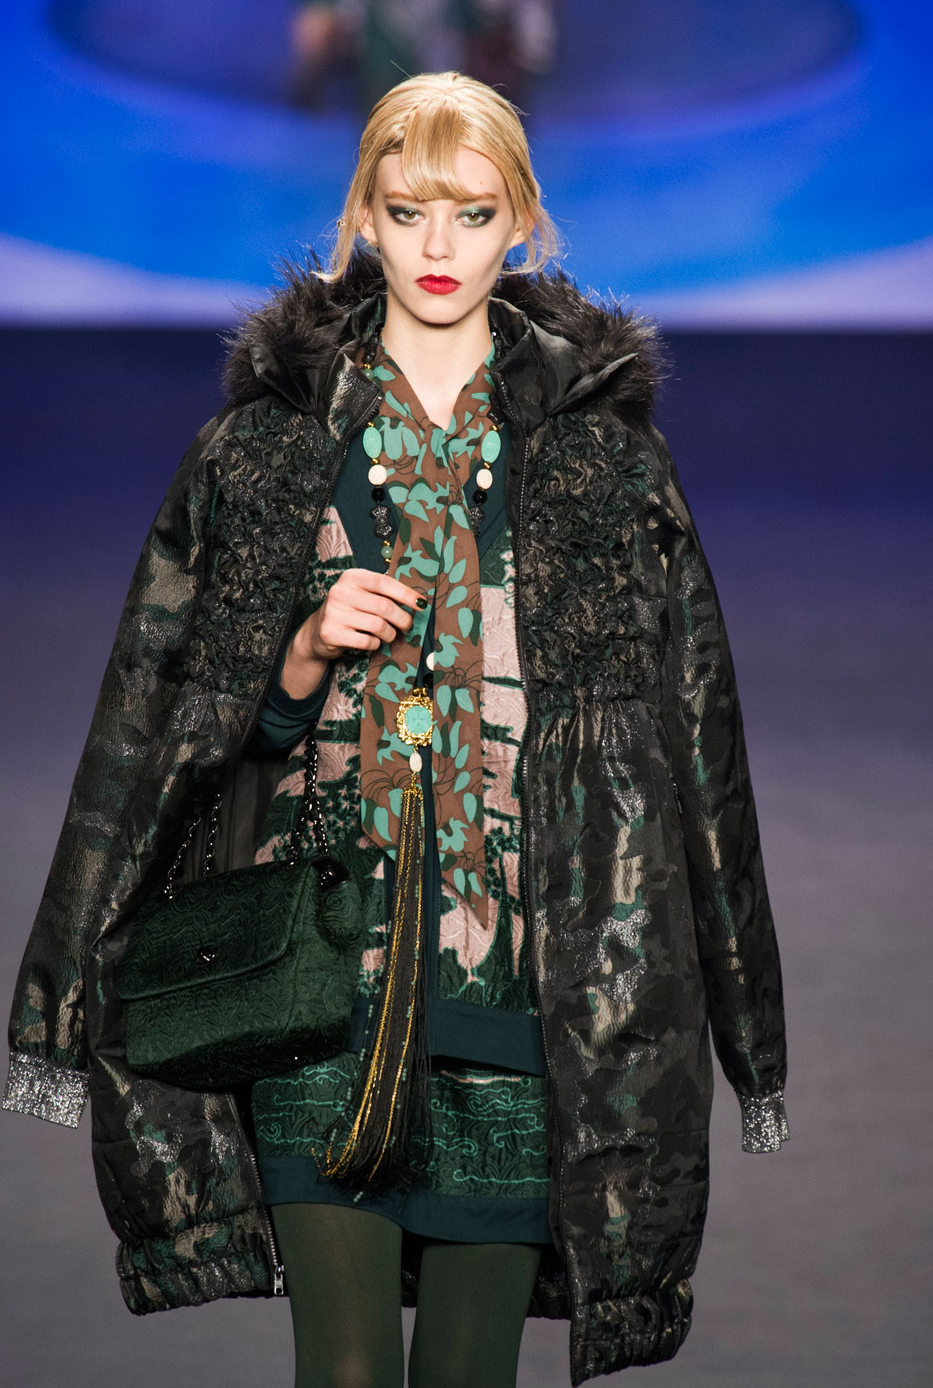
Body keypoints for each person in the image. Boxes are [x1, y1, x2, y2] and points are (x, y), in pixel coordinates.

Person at [3, 71, 789, 1387]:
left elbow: (696, 739)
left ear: (521, 226)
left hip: (523, 986)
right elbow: (154, 722)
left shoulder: (604, 463)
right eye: (408, 210)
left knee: (469, 1376)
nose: (438, 247)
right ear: (362, 216)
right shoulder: (262, 448)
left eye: (472, 214)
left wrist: (748, 1025)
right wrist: (301, 652)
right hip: (321, 974)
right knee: (347, 1373)